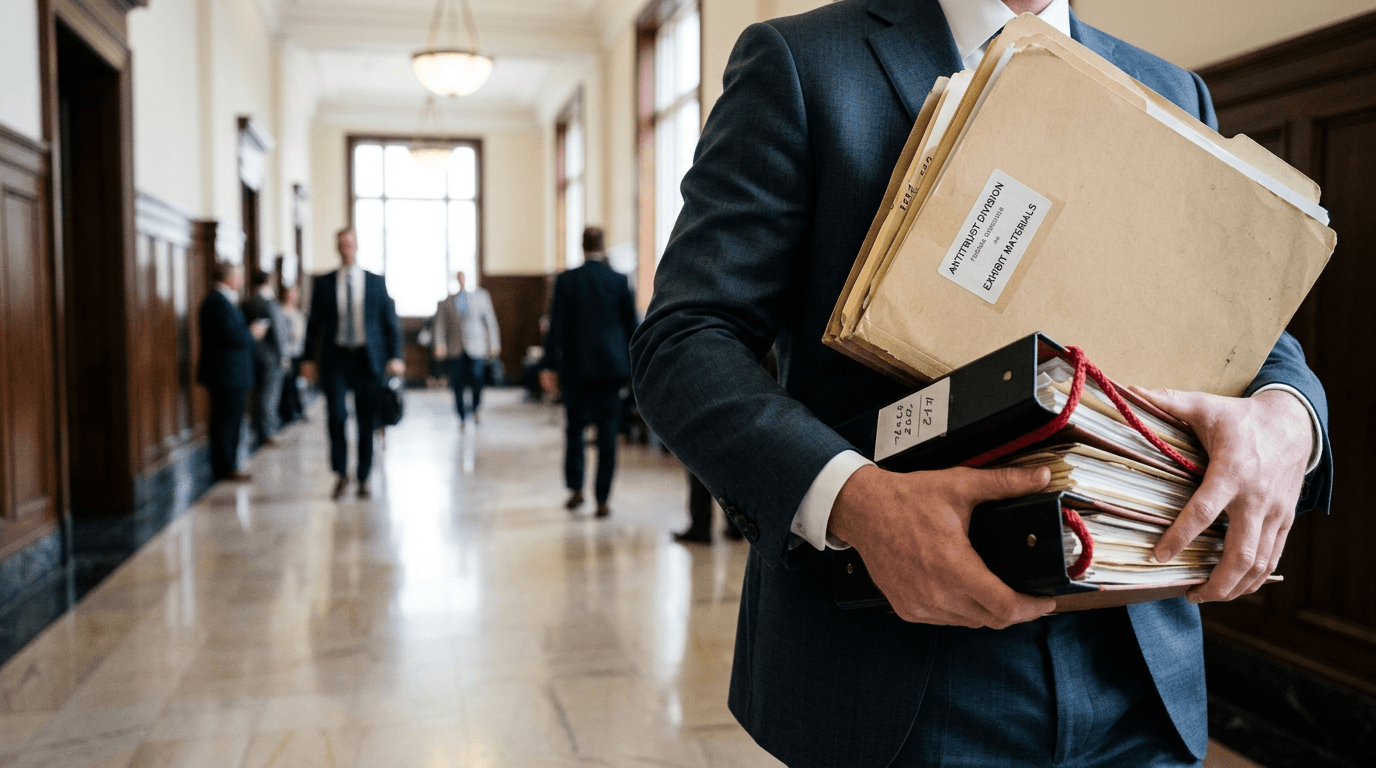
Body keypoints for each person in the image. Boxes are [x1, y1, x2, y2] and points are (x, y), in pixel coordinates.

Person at [628, 1, 1333, 766]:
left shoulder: (1172, 88)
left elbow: (1257, 337)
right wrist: (858, 504)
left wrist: (1287, 415)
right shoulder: (801, 62)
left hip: (1141, 666)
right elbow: (685, 339)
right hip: (895, 669)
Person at [542, 227, 639, 518]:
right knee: (608, 434)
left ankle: (576, 489)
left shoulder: (567, 280)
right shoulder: (619, 281)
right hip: (610, 369)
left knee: (575, 429)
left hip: (576, 368)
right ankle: (602, 498)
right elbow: (632, 327)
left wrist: (548, 365)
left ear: (582, 246)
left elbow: (555, 326)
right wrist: (635, 366)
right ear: (603, 245)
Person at [302, 228, 404, 500]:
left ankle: (363, 475)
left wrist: (395, 356)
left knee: (365, 419)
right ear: (337, 248)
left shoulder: (375, 282)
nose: (346, 248)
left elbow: (389, 321)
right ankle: (340, 473)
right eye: (341, 244)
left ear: (356, 246)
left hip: (367, 359)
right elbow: (313, 324)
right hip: (335, 358)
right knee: (336, 416)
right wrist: (308, 358)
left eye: (350, 243)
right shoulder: (324, 282)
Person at [197, 261, 265, 481]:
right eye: (238, 275)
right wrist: (252, 333)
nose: (241, 279)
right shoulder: (216, 302)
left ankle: (228, 465)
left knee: (230, 421)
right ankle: (225, 467)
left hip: (231, 373)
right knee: (226, 422)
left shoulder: (224, 300)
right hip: (226, 374)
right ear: (228, 277)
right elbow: (230, 336)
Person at [433, 271, 502, 424]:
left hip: (477, 347)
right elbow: (440, 325)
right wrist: (440, 345)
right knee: (457, 383)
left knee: (477, 380)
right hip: (455, 348)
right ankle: (461, 415)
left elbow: (490, 321)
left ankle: (476, 408)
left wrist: (494, 343)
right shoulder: (447, 301)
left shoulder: (481, 297)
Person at [242, 271, 290, 446]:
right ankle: (268, 433)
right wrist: (283, 356)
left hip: (253, 357)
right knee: (270, 396)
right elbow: (278, 331)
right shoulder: (270, 303)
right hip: (271, 357)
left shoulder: (246, 303)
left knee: (256, 395)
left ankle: (258, 430)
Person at [278, 285, 307, 425]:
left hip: (297, 352)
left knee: (295, 381)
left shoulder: (298, 313)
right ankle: (288, 411)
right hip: (287, 353)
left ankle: (296, 409)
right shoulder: (282, 312)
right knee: (287, 383)